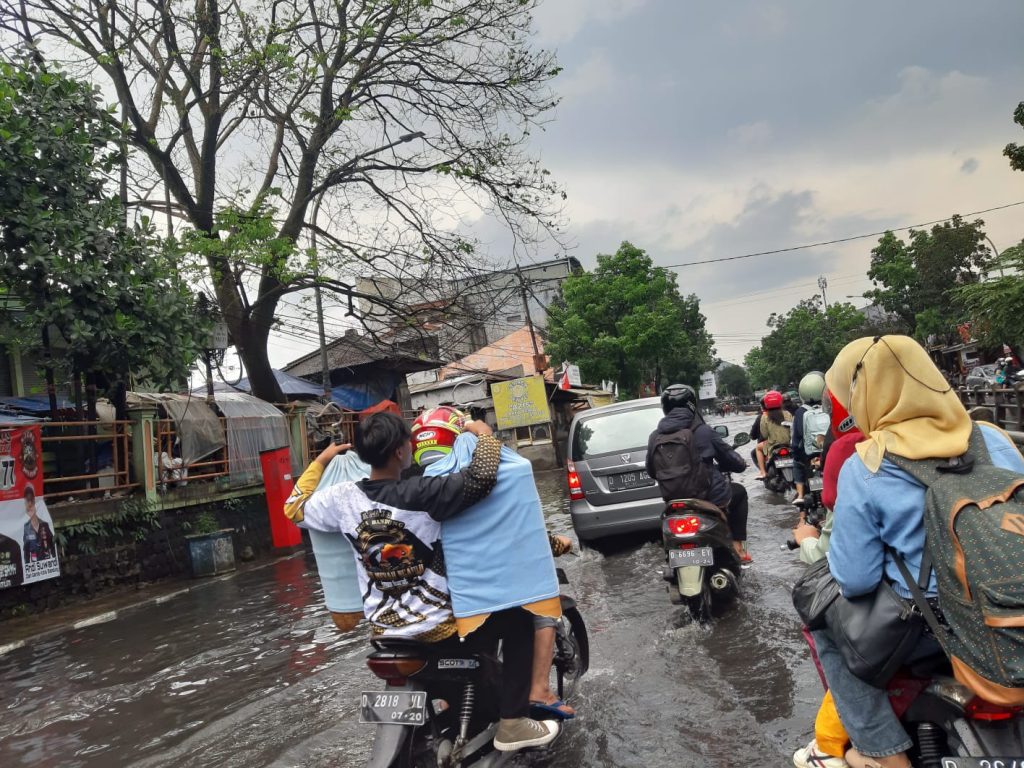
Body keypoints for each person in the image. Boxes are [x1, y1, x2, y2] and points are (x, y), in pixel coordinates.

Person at [807, 335, 1024, 768]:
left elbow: (856, 578)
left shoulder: (868, 464)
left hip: (933, 630)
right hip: (1010, 610)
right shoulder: (993, 438)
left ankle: (887, 756)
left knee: (823, 625)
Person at [287, 412, 559, 752]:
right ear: (402, 452)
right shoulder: (425, 492)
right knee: (520, 619)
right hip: (438, 631)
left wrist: (322, 460)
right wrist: (483, 433)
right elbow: (482, 477)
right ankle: (514, 723)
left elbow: (294, 507)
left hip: (384, 634)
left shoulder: (341, 499)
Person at [409, 407, 576, 721]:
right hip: (465, 606)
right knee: (533, 616)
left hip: (424, 611)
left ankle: (451, 704)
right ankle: (537, 691)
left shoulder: (415, 490)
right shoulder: (468, 483)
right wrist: (482, 433)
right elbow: (514, 536)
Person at [790, 387, 865, 768]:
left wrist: (806, 540)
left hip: (917, 610)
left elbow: (852, 571)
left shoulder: (852, 451)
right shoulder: (986, 437)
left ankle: (839, 743)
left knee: (823, 623)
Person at [647, 384, 751, 563]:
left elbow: (651, 471)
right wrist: (741, 464)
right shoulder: (703, 431)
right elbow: (729, 458)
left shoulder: (655, 436)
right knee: (739, 492)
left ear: (664, 408)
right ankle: (737, 546)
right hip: (709, 498)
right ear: (692, 405)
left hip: (674, 502)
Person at [791, 372, 830, 504]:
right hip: (829, 451)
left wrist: (797, 455)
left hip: (809, 456)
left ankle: (801, 495)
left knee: (796, 464)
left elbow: (796, 441)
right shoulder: (829, 406)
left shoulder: (800, 412)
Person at [755, 390, 792, 480]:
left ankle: (763, 472)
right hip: (789, 445)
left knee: (758, 448)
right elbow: (792, 429)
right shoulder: (787, 413)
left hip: (772, 446)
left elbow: (764, 434)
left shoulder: (765, 416)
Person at [22, 486, 54, 563]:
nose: (29, 504)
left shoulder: (45, 524)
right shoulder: (25, 528)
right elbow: (26, 552)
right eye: (27, 501)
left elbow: (52, 545)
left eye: (31, 501)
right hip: (35, 567)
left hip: (47, 565)